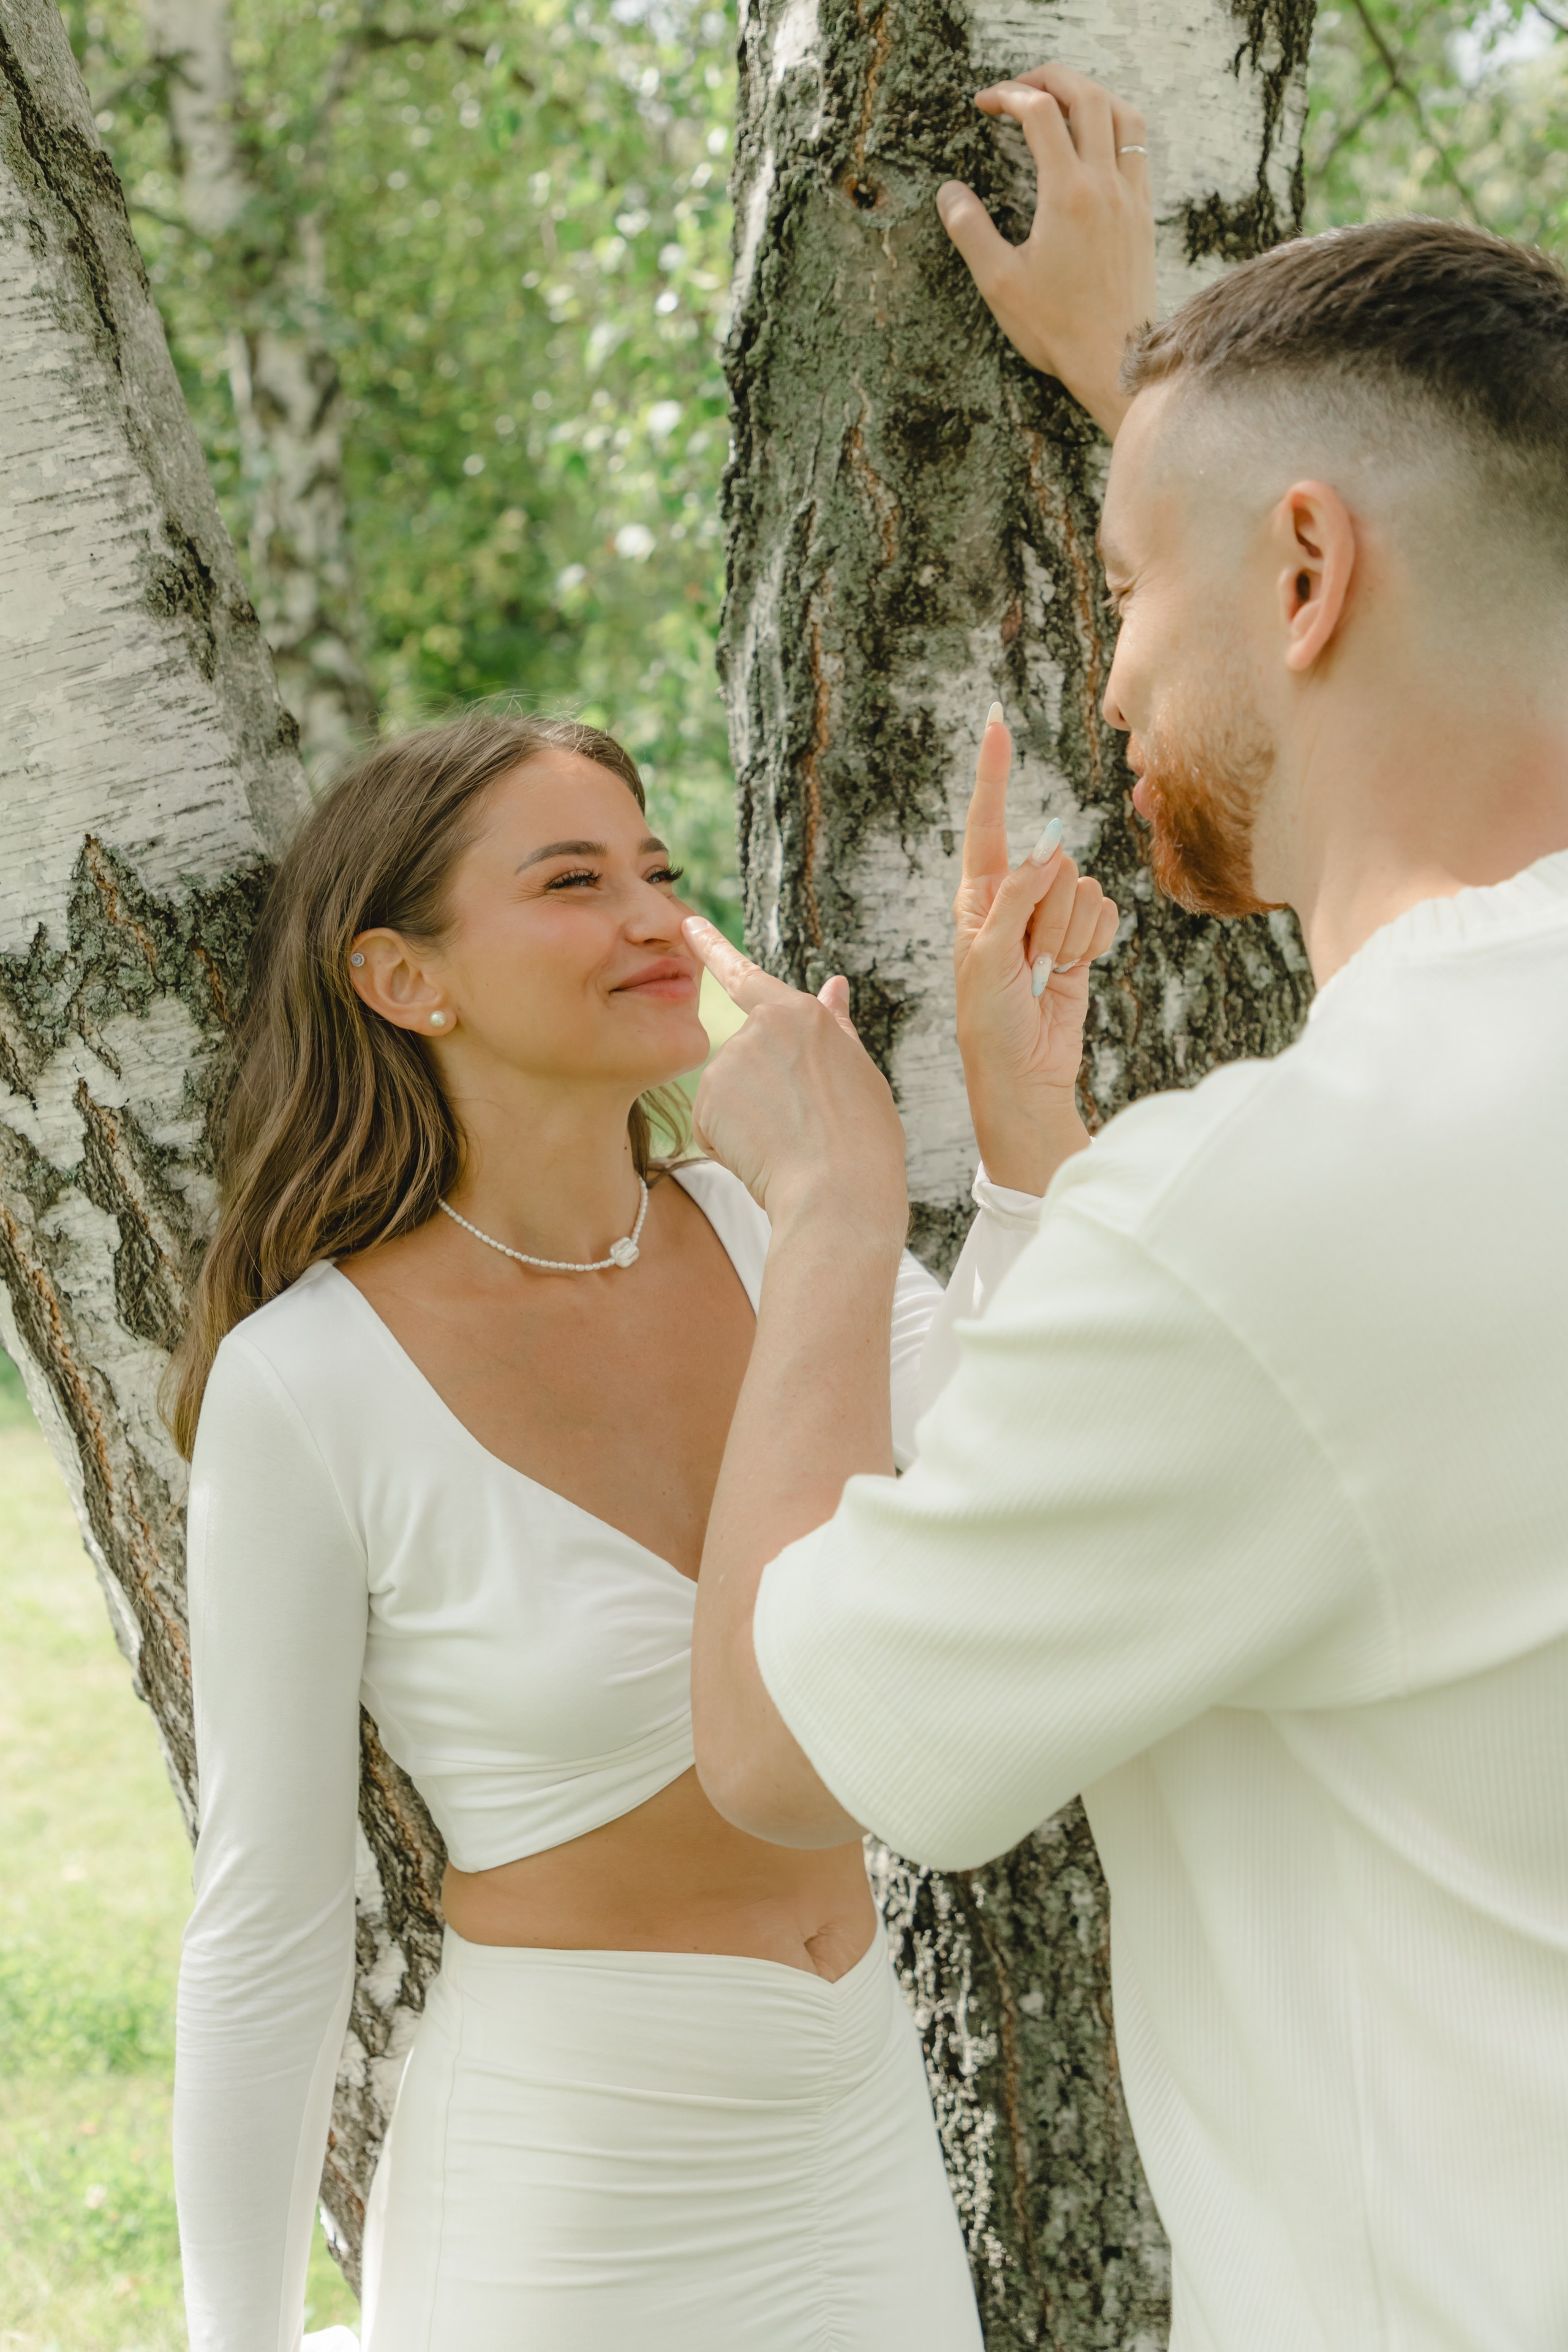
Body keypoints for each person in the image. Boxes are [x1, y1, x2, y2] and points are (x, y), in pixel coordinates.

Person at [681, 72, 1568, 2352]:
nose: (1105, 675)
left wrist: (843, 1209)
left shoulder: (1268, 1211)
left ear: (1303, 572)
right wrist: (1158, 387)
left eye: (1118, 584)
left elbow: (791, 1761)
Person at [167, 707, 1118, 2351]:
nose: (651, 919)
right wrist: (230, 2338)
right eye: (571, 879)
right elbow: (269, 1923)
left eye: (658, 871)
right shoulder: (307, 1379)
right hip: (571, 2187)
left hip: (860, 2133)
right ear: (405, 979)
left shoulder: (764, 1229)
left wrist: (1020, 1131)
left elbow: (1009, 1481)